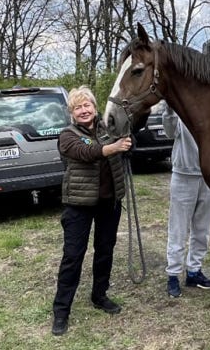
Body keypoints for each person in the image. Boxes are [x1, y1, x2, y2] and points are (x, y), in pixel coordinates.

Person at [51, 86, 133, 336]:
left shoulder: (109, 128)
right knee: (73, 256)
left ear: (94, 107)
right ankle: (61, 311)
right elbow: (87, 153)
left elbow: (128, 141)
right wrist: (113, 148)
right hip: (79, 205)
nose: (84, 110)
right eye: (78, 107)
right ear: (72, 113)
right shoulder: (67, 135)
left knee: (105, 251)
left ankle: (99, 295)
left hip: (110, 203)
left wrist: (128, 142)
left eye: (87, 105)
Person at [161, 100, 210, 298]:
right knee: (178, 229)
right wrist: (168, 109)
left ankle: (194, 271)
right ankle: (173, 275)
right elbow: (169, 132)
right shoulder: (179, 108)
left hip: (209, 177)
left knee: (202, 229)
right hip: (183, 176)